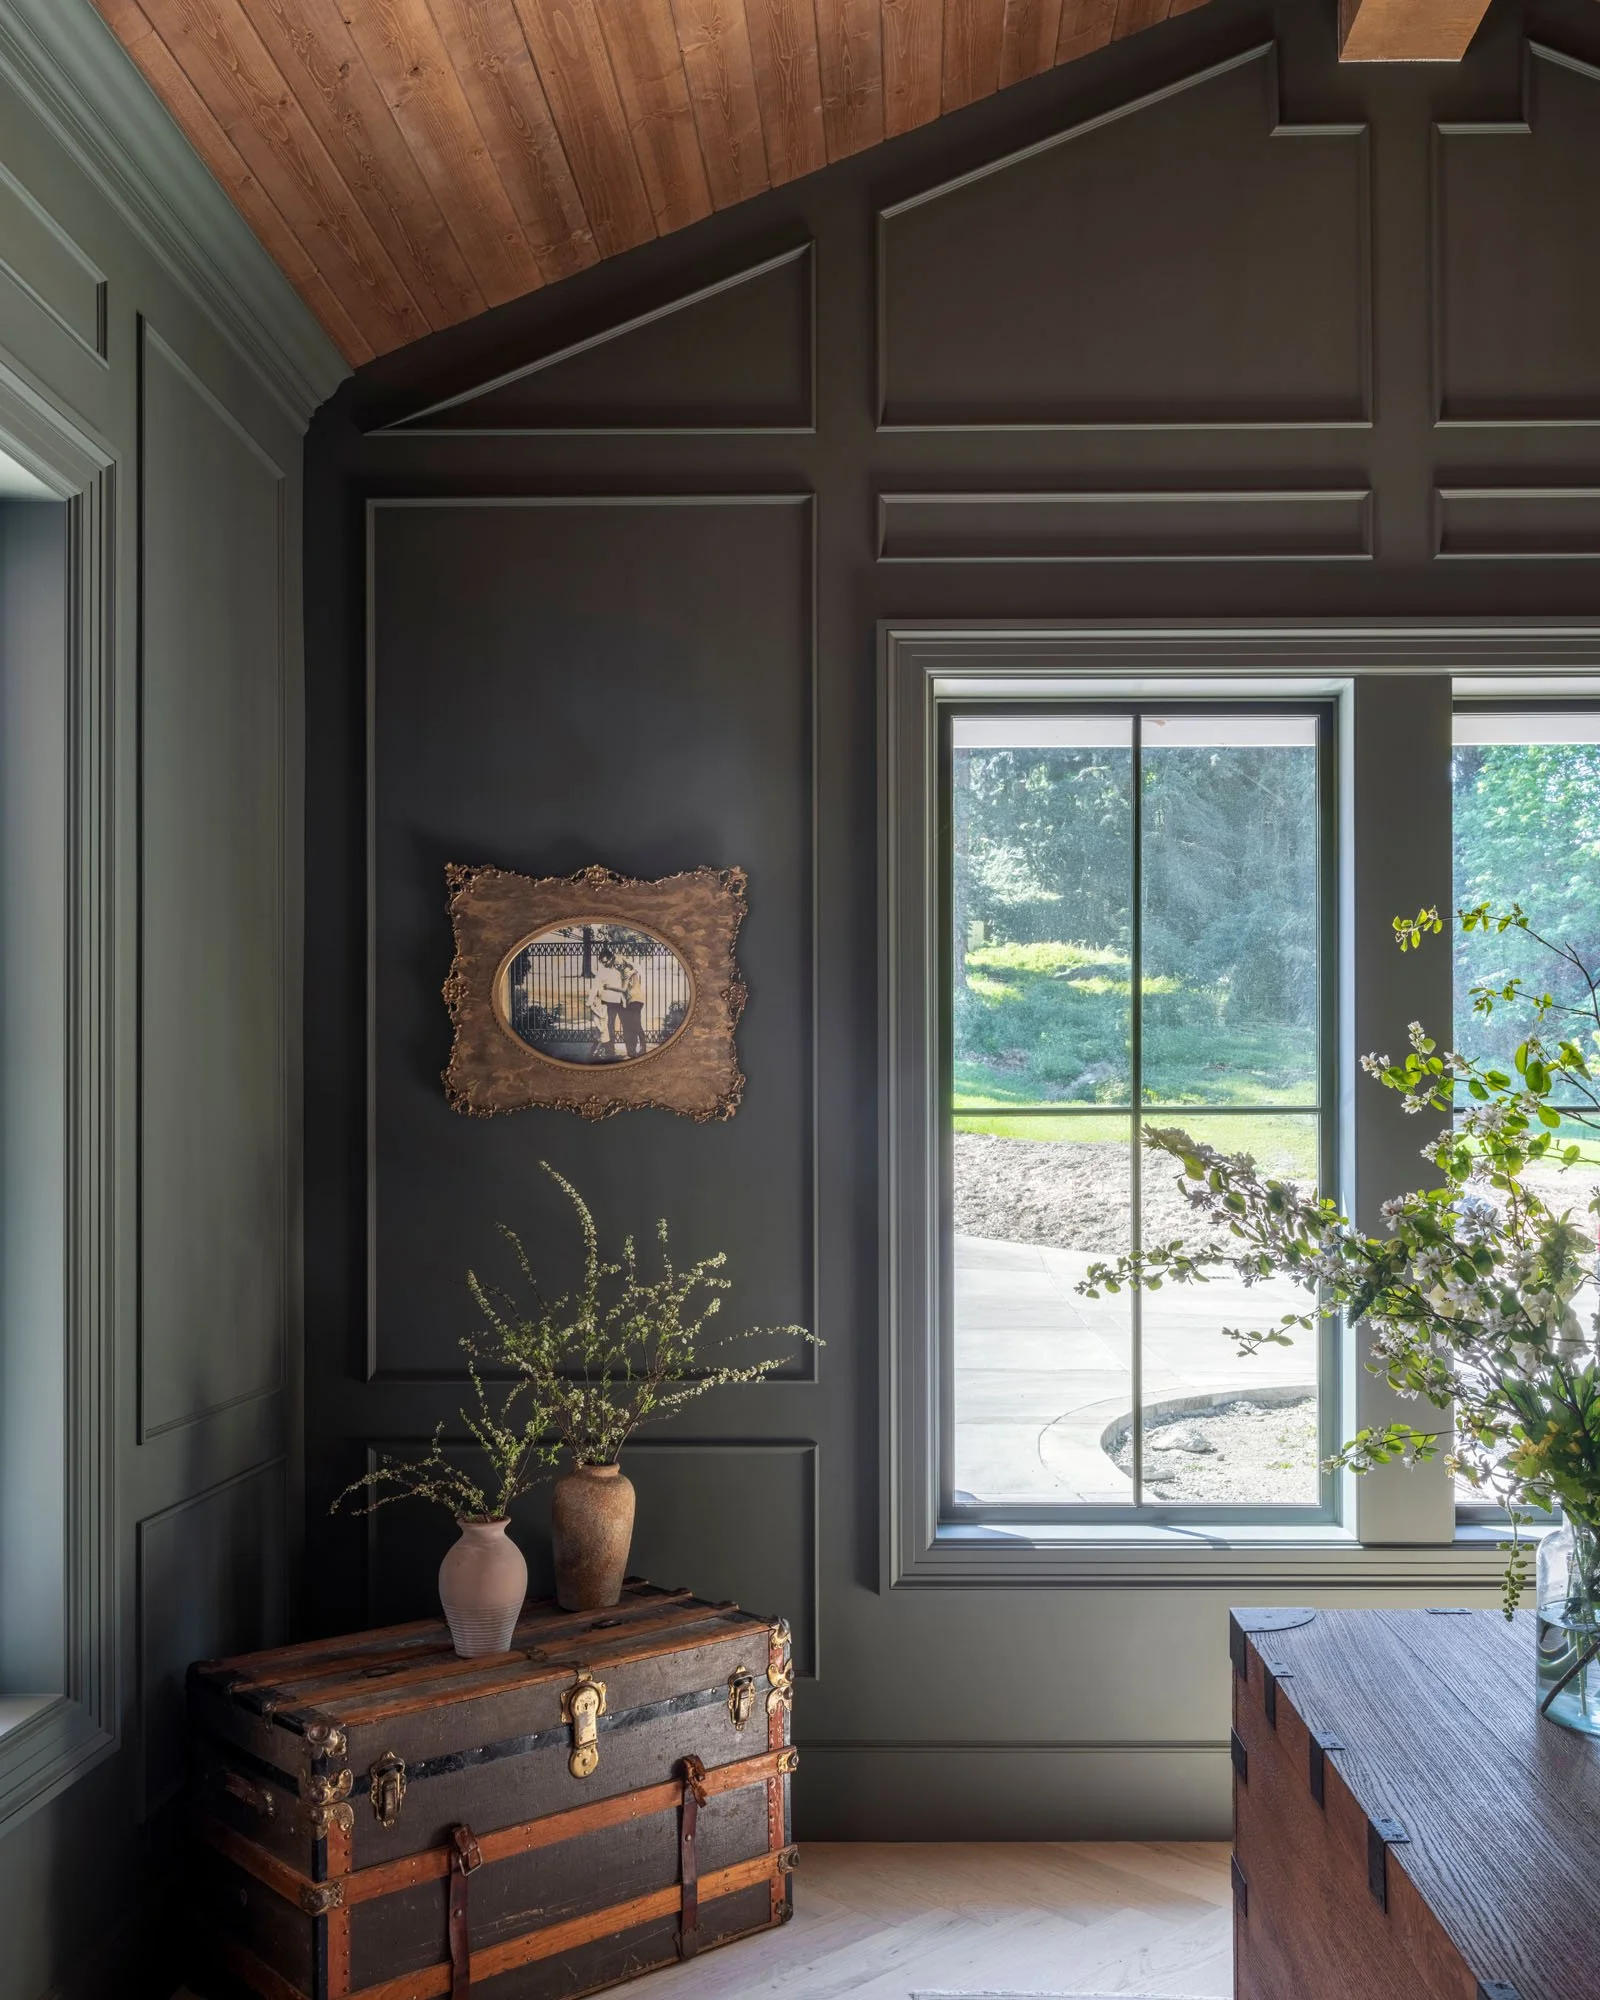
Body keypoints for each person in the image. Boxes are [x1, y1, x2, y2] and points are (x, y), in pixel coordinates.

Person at [590, 959, 626, 1059]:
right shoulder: (603, 972)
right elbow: (597, 987)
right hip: (608, 1002)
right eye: (603, 962)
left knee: (613, 1027)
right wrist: (591, 1000)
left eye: (606, 961)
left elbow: (623, 988)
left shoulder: (619, 973)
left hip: (619, 1001)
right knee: (608, 1027)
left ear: (611, 959)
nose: (605, 963)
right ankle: (608, 1051)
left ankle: (607, 1051)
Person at [619, 960, 646, 1059]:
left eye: (627, 971)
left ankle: (643, 1046)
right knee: (631, 1026)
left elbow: (638, 968)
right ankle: (632, 1051)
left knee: (636, 1024)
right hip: (630, 1003)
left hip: (637, 1001)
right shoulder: (624, 977)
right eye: (625, 971)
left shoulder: (634, 974)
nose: (626, 972)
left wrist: (631, 970)